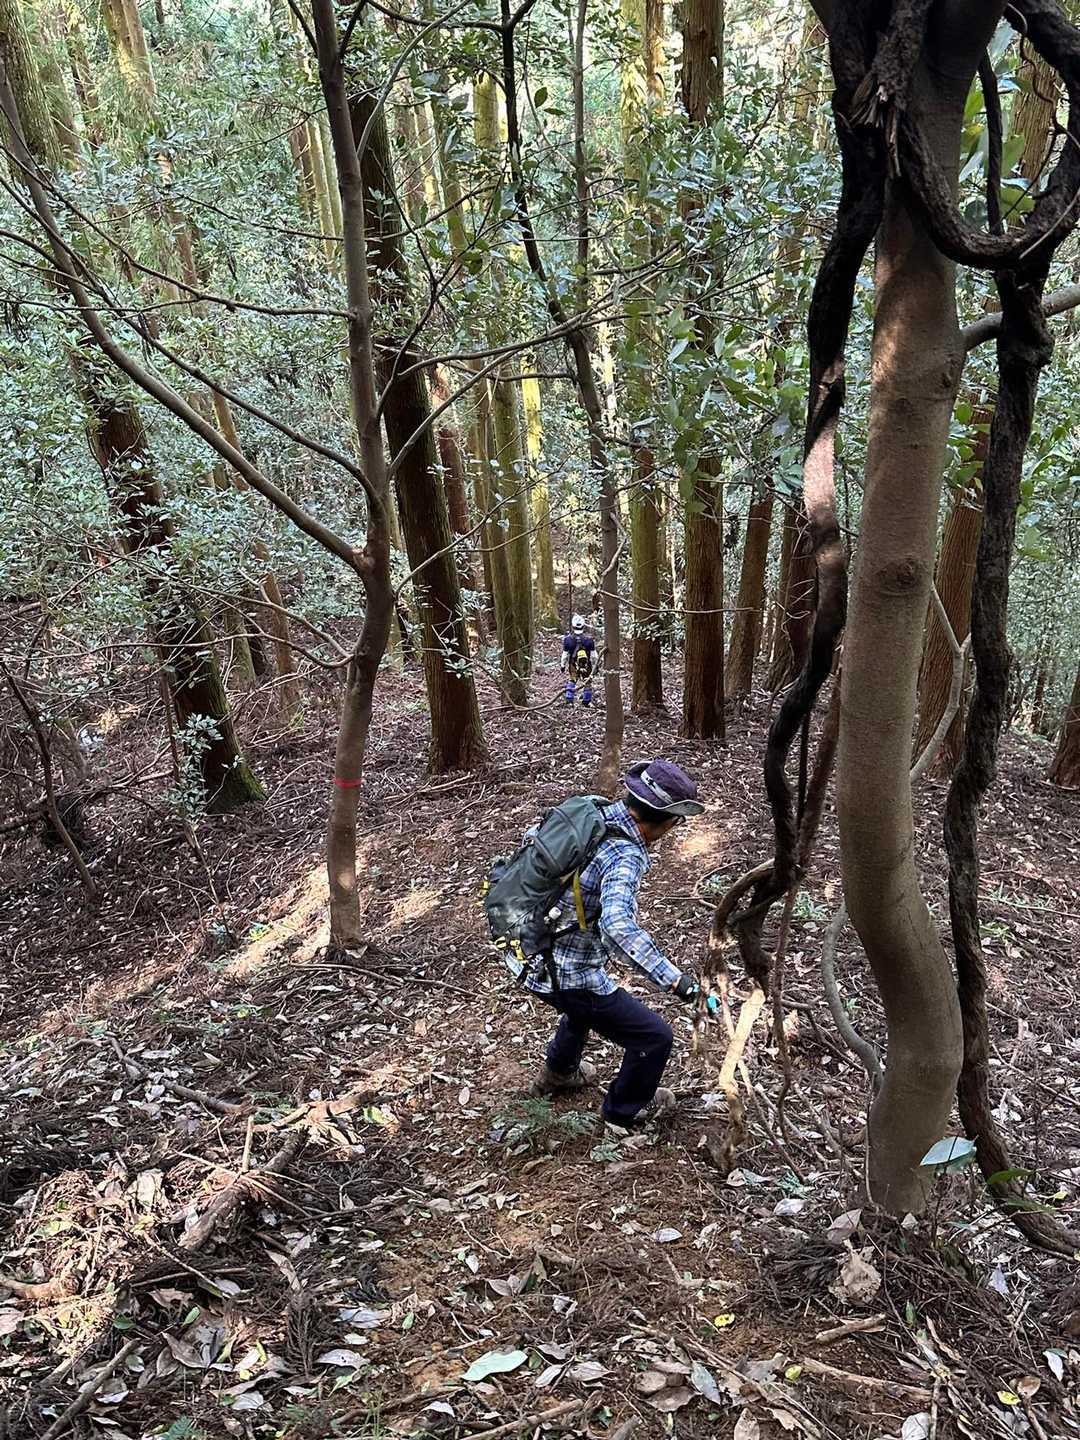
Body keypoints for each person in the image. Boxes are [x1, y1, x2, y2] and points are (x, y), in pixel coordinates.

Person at [527, 760, 710, 1127]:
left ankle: (558, 1073)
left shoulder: (592, 813)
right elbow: (617, 926)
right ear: (666, 822)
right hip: (565, 972)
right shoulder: (624, 854)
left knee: (582, 1009)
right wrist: (675, 980)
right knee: (655, 1037)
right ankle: (623, 1111)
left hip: (528, 949)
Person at [560, 614, 597, 707]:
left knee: (572, 680)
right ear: (583, 626)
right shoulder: (589, 639)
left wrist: (562, 665)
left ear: (573, 626)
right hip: (587, 665)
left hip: (573, 664)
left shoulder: (568, 639)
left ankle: (569, 699)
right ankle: (586, 701)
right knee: (587, 681)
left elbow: (564, 655)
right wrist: (596, 666)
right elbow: (594, 656)